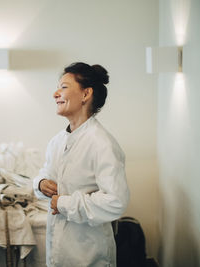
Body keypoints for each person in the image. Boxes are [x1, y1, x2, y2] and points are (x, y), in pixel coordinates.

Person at [33, 62, 130, 267]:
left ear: (86, 94)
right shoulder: (58, 141)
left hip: (89, 255)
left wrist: (64, 203)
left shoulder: (102, 143)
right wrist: (41, 183)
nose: (55, 93)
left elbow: (115, 202)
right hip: (59, 252)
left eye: (64, 87)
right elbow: (47, 173)